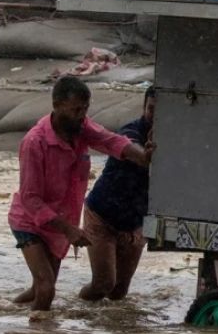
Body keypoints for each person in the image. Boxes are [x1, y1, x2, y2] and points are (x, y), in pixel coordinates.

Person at [8, 75, 153, 315]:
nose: (81, 115)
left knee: (39, 289)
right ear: (57, 106)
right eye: (76, 109)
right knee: (47, 289)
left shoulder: (82, 129)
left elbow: (112, 141)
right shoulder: (35, 142)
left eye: (85, 109)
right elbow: (30, 199)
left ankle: (2, 313)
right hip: (30, 221)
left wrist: (144, 158)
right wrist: (68, 229)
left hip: (59, 221)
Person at [79, 86, 156, 301]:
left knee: (119, 292)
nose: (155, 116)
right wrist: (147, 155)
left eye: (161, 112)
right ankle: (76, 316)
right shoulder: (130, 132)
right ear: (143, 108)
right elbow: (132, 149)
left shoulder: (178, 141)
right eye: (151, 110)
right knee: (103, 284)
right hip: (102, 216)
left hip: (135, 222)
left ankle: (111, 333)